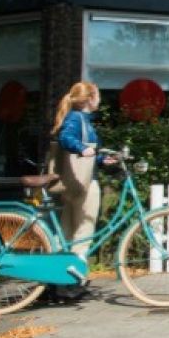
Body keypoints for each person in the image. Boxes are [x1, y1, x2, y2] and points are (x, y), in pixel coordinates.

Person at [48, 82, 114, 299]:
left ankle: (59, 280)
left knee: (68, 230)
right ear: (89, 99)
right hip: (84, 183)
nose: (100, 100)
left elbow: (89, 153)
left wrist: (104, 159)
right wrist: (83, 149)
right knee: (84, 231)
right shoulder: (77, 118)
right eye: (98, 96)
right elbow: (67, 139)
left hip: (76, 181)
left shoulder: (82, 119)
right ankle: (74, 279)